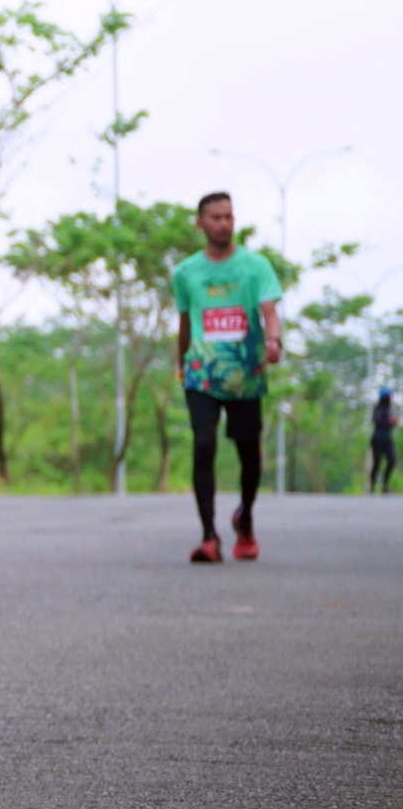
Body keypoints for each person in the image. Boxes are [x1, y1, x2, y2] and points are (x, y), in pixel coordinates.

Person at [172, 191, 282, 564]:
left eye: (229, 217)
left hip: (245, 374)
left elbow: (269, 311)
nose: (224, 224)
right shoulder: (186, 272)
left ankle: (244, 517)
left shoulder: (255, 266)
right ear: (200, 223)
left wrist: (273, 341)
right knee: (203, 444)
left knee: (249, 453)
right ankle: (209, 537)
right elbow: (185, 321)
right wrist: (181, 362)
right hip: (201, 371)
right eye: (216, 217)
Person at [369, 388, 394, 495]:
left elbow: (392, 423)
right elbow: (376, 421)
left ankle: (385, 484)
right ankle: (372, 486)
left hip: (387, 439)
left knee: (391, 460)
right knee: (377, 462)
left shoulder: (389, 409)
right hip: (378, 438)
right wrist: (388, 421)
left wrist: (393, 422)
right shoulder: (378, 409)